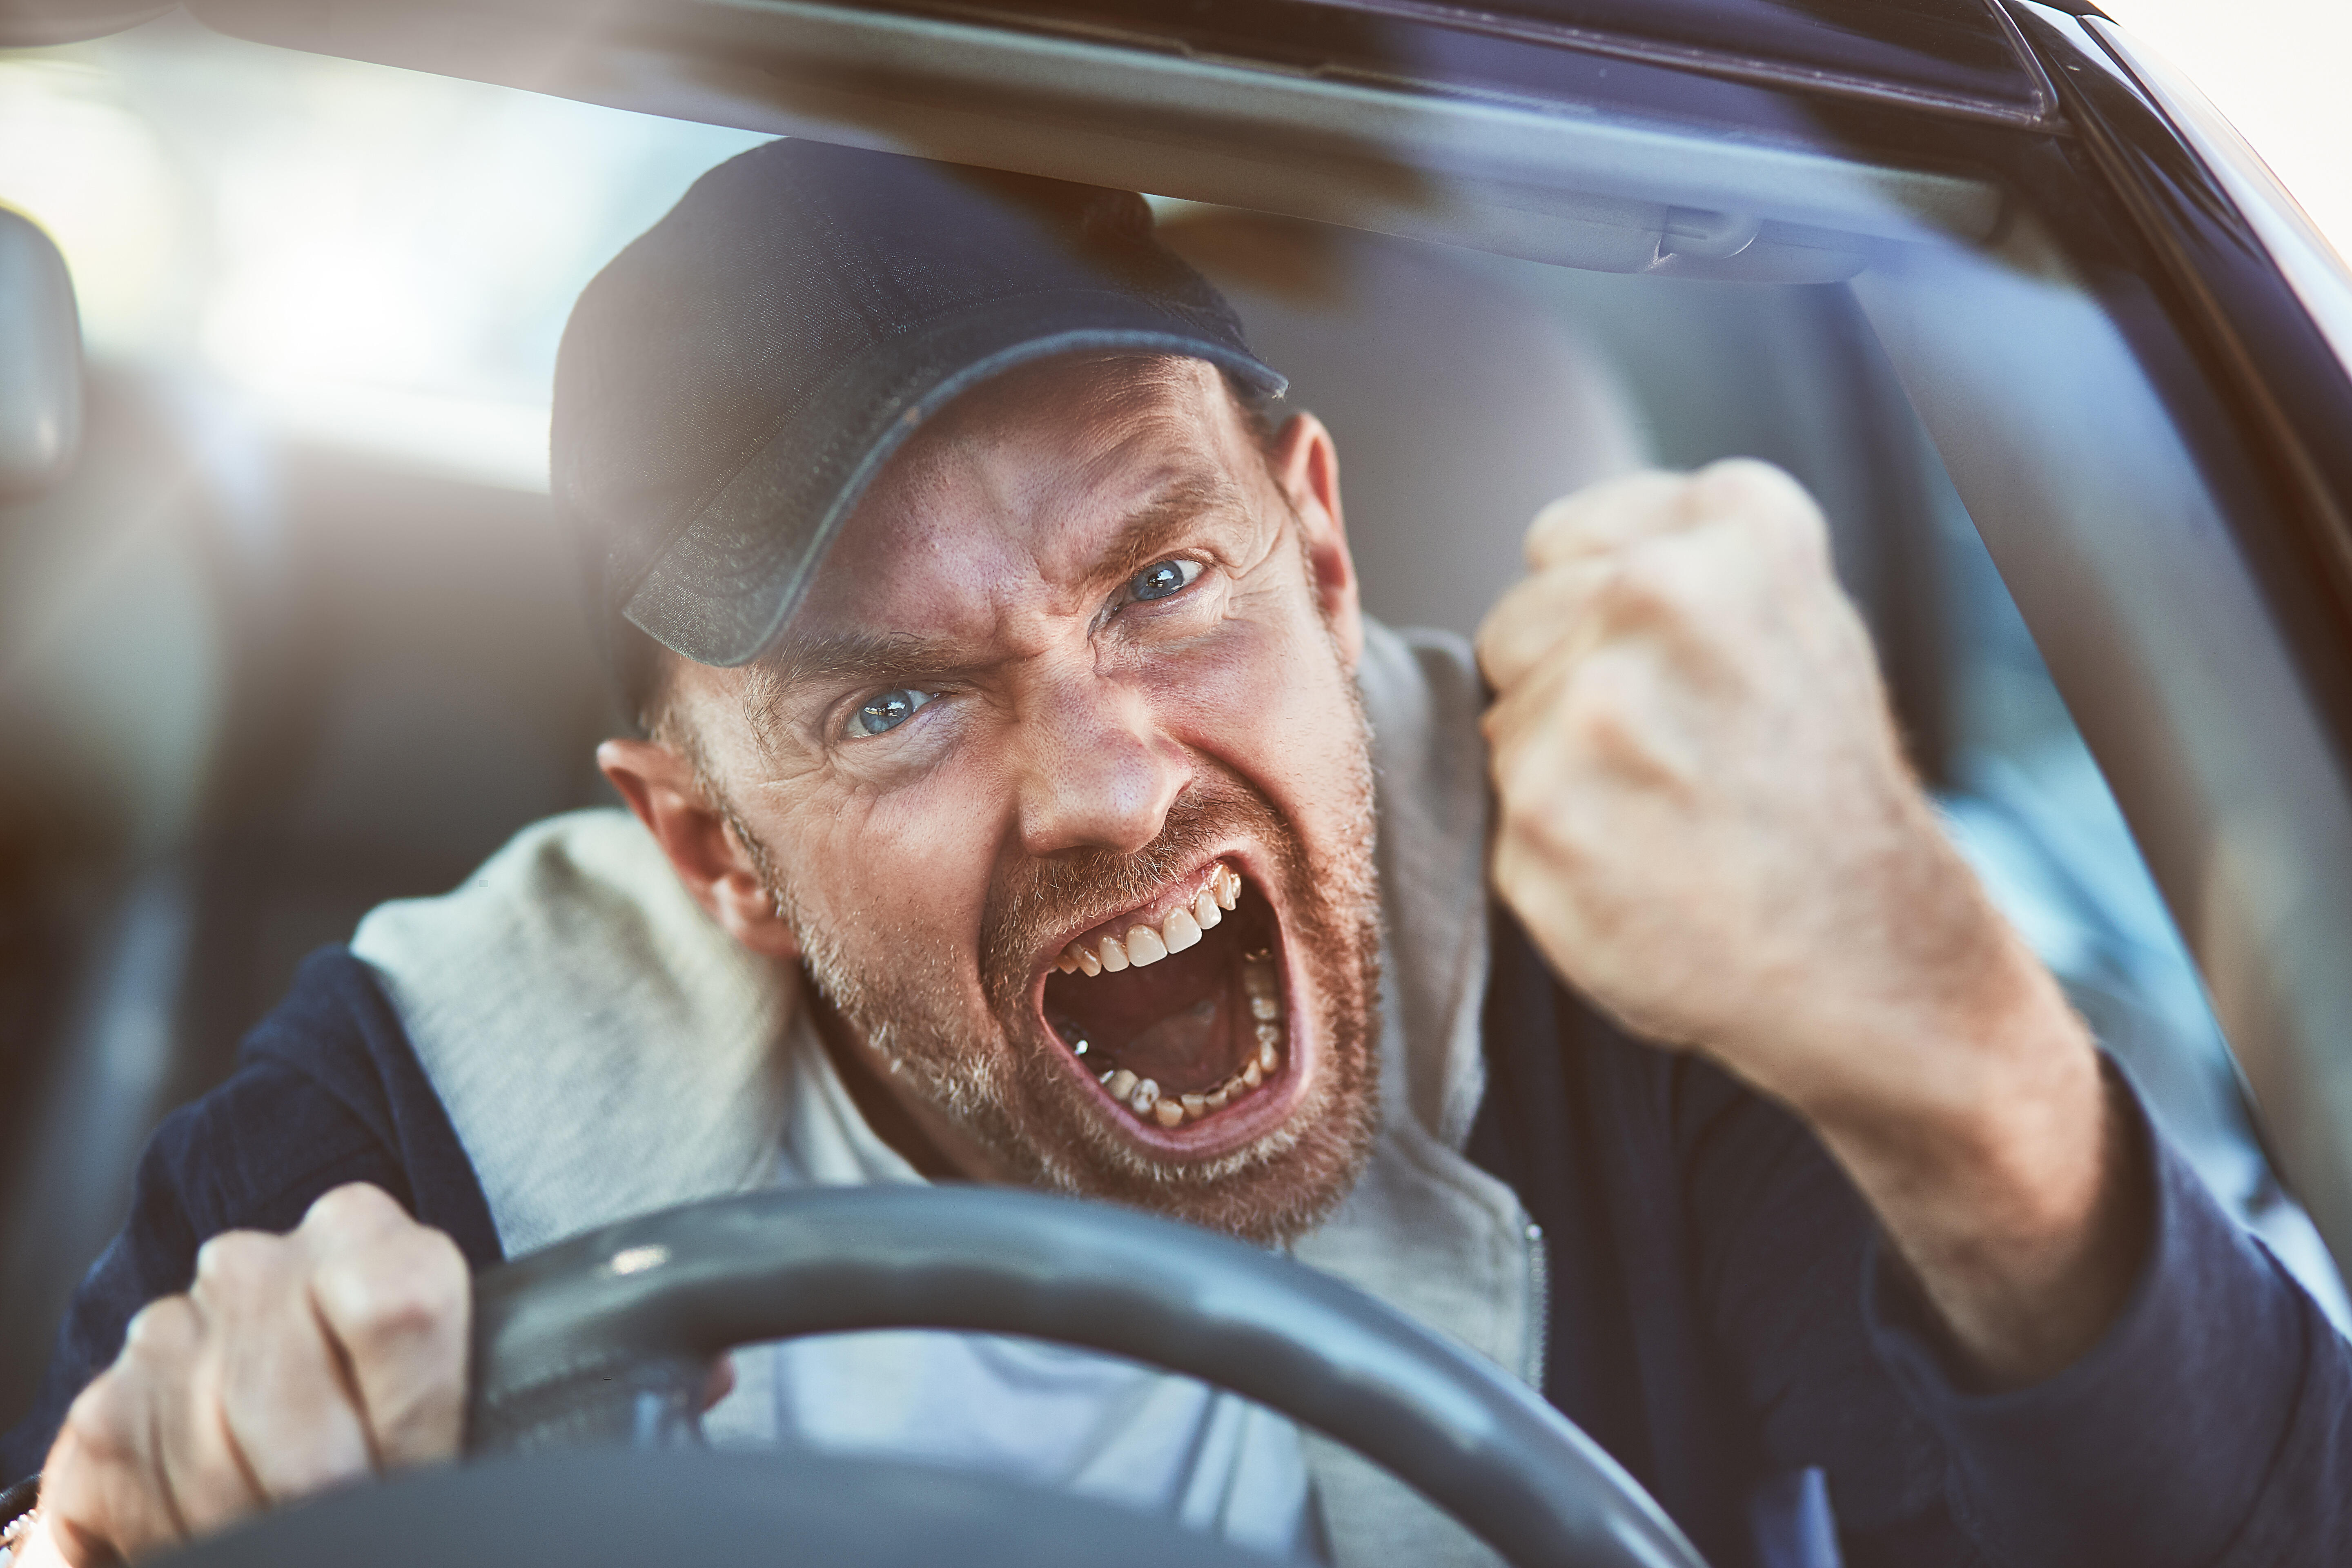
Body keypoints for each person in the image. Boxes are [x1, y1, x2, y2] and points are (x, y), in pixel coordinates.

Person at [3, 139, 2346, 1568]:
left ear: (1323, 559)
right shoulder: (421, 1109)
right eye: (894, 699)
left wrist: (1953, 1050)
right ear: (712, 848)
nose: (1112, 785)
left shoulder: (1644, 955)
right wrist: (145, 1517)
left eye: (1163, 581)